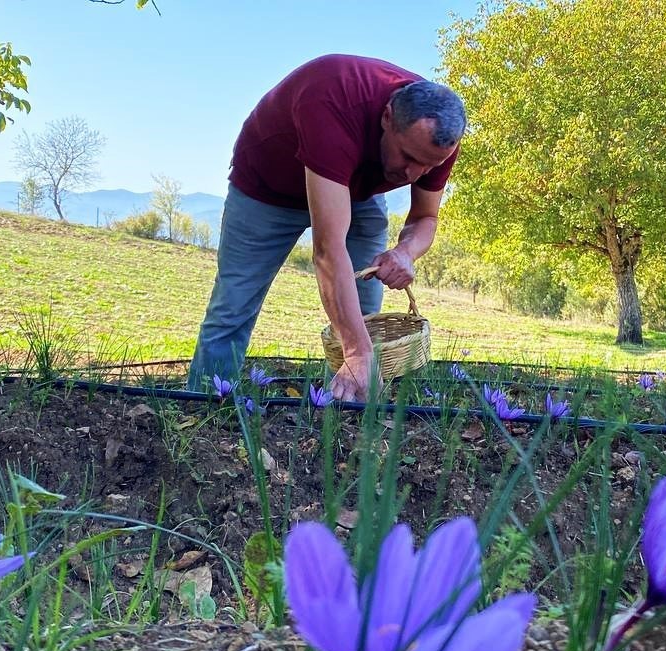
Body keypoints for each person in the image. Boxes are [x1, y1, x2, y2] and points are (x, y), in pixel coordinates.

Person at [188, 54, 464, 401]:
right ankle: (203, 405)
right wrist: (357, 351)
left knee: (366, 315)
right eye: (407, 157)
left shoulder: (437, 136)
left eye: (428, 166)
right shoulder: (334, 98)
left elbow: (425, 217)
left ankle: (349, 408)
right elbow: (328, 250)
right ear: (387, 117)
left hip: (358, 191)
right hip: (267, 187)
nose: (412, 174)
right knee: (234, 305)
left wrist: (406, 252)